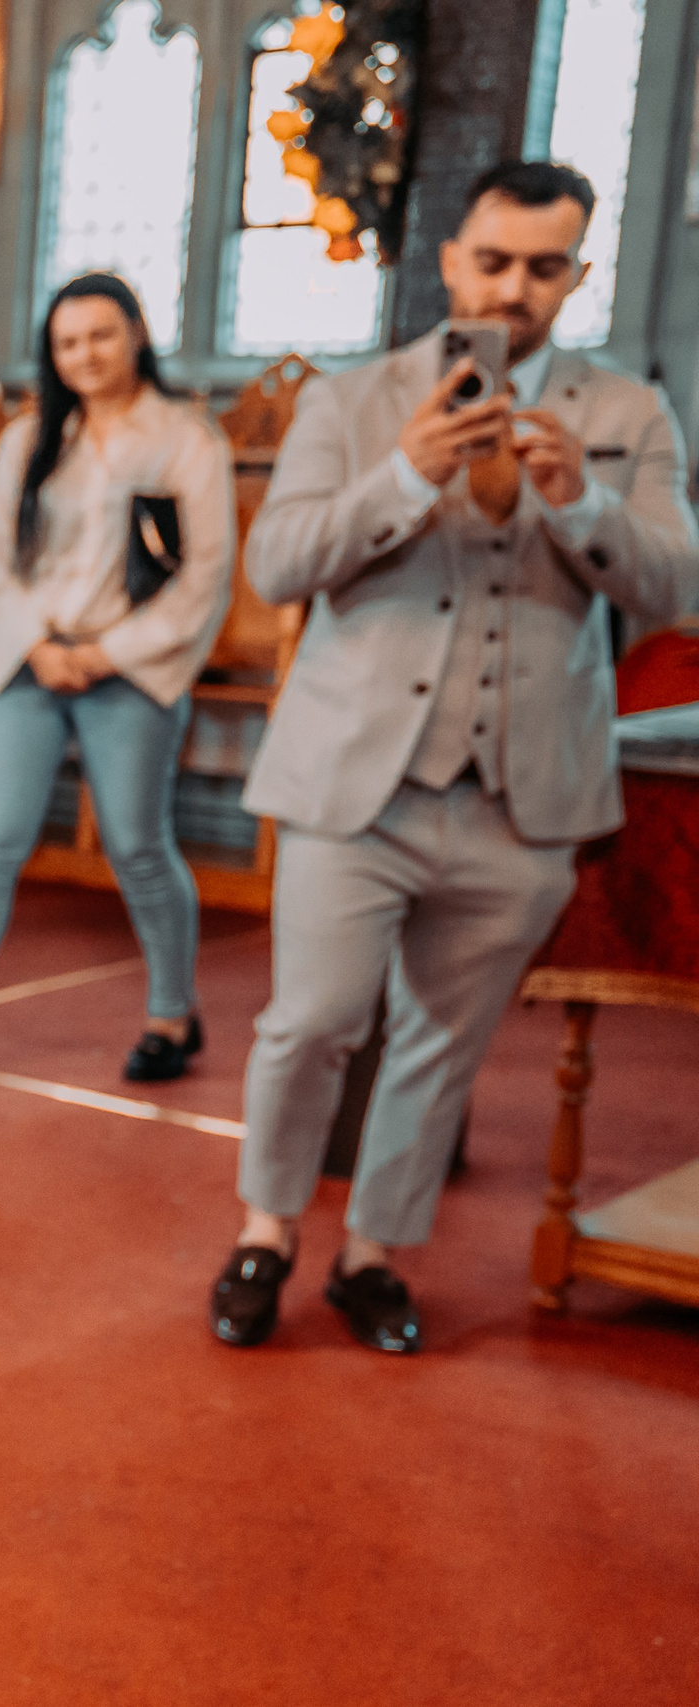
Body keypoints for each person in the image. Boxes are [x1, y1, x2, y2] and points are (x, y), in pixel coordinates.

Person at [211, 161, 699, 1357]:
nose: (514, 287)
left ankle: (373, 1253)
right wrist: (405, 475)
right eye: (493, 260)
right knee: (311, 1022)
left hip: (522, 793)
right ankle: (265, 1231)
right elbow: (275, 566)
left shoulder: (628, 413)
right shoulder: (354, 398)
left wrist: (581, 506)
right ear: (450, 260)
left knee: (443, 1041)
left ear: (577, 272)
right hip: (353, 778)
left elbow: (676, 588)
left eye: (544, 266)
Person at [0, 272, 235, 1095]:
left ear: (135, 332)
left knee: (136, 841)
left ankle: (171, 1011)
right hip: (31, 656)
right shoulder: (29, 439)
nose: (84, 354)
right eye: (66, 341)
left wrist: (108, 650)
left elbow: (205, 578)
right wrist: (39, 646)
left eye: (100, 334)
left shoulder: (187, 440)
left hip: (129, 664)